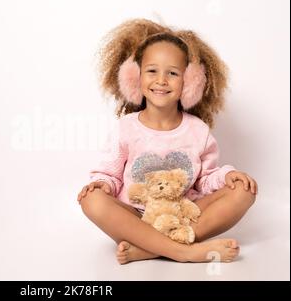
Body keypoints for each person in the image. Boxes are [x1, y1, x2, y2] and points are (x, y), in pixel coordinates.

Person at [77, 19, 258, 264]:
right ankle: (183, 251)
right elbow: (109, 174)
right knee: (92, 201)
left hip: (182, 213)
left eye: (172, 73)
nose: (161, 80)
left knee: (244, 192)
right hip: (135, 216)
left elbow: (206, 179)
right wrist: (101, 186)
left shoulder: (198, 130)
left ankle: (150, 249)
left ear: (190, 83)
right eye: (152, 71)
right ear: (134, 77)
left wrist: (227, 177)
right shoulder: (126, 127)